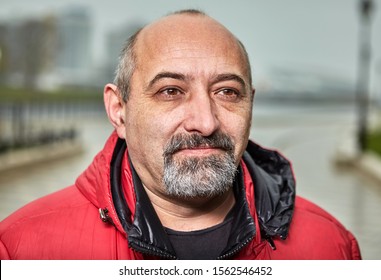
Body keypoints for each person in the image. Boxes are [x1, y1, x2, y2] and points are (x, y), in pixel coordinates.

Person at [0, 9, 361, 260]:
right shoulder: (20, 249)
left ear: (250, 105)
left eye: (227, 92)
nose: (205, 122)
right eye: (170, 91)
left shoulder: (331, 246)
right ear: (118, 110)